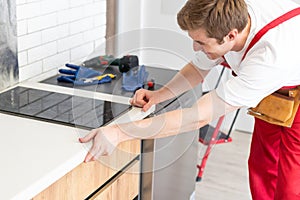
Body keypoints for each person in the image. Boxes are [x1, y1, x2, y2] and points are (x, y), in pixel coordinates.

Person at [79, 0, 300, 199]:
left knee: (291, 184)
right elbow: (197, 68)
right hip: (277, 96)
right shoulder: (230, 14)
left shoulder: (269, 58)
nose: (195, 48)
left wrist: (119, 132)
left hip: (293, 89)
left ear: (231, 36)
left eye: (201, 43)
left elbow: (198, 116)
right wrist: (159, 95)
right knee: (263, 167)